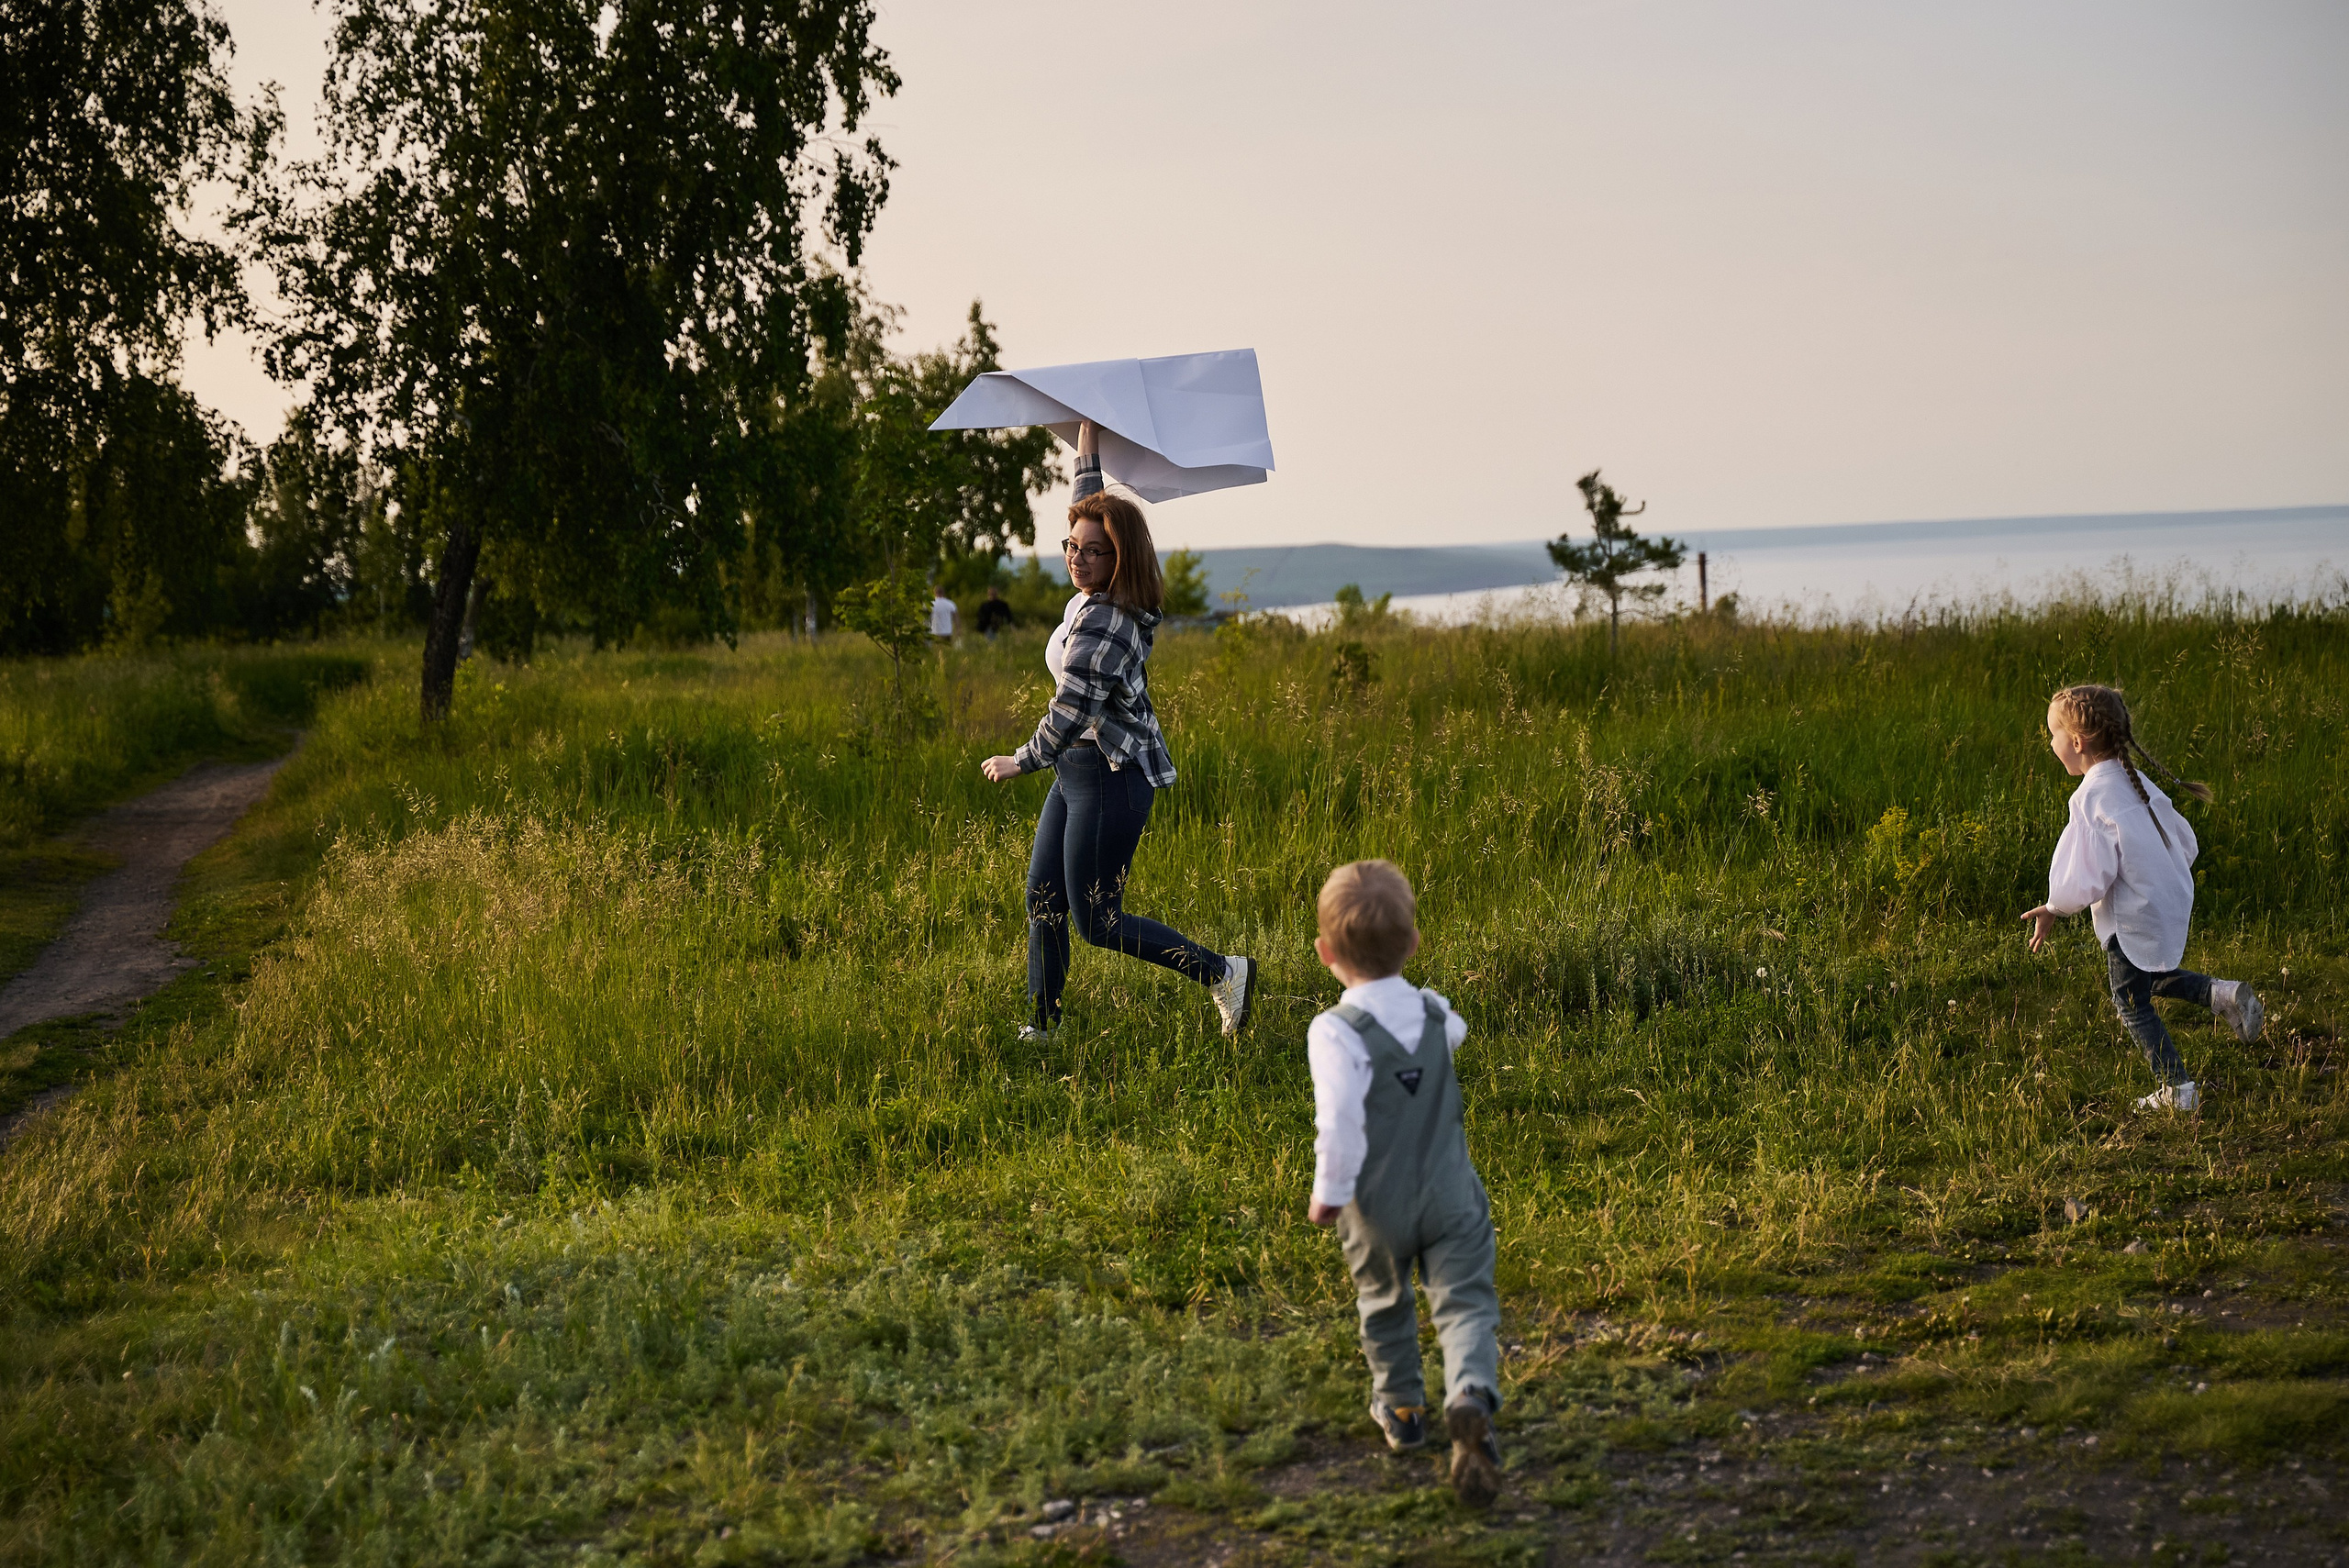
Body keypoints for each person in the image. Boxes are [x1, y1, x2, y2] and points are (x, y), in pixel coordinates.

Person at [978, 419, 1254, 1040]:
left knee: (1097, 919)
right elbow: (1090, 503)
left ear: (1120, 557)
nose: (1077, 557)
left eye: (1092, 550)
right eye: (1071, 545)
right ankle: (1041, 1026)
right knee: (1043, 899)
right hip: (1077, 774)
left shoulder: (1109, 616)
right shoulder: (1094, 587)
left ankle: (1223, 972)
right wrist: (1088, 441)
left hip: (1111, 777)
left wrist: (1021, 759)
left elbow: (1073, 706)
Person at [1305, 859, 1502, 1507]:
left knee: (1384, 1300)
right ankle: (1469, 1392)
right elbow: (1454, 1036)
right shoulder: (1435, 1011)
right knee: (1465, 1301)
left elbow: (1338, 1123)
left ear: (1325, 952)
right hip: (1450, 1193)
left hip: (1377, 1204)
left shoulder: (1335, 1032)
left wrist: (1328, 1193)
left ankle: (1404, 1411)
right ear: (1414, 943)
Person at [2021, 684, 2263, 1114]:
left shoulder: (2091, 796)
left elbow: (2089, 874)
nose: (2051, 744)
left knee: (2130, 1003)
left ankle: (2177, 1090)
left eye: (2052, 735)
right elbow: (2183, 842)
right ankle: (2220, 995)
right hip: (2163, 901)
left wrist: (2056, 905)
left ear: (2076, 743)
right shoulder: (2137, 782)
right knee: (2147, 976)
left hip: (2130, 917)